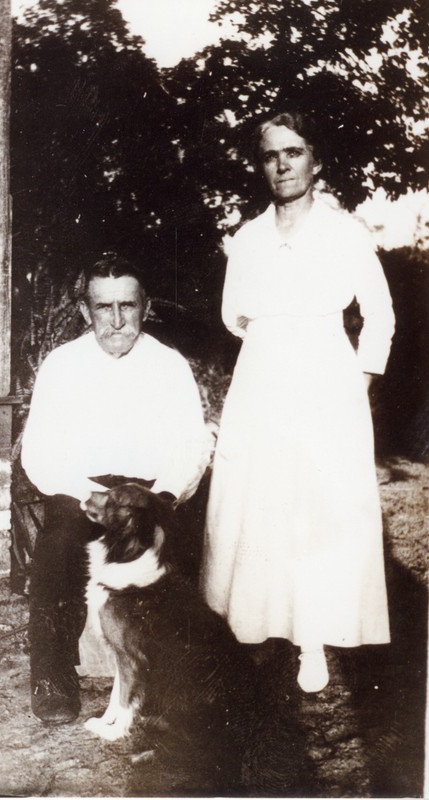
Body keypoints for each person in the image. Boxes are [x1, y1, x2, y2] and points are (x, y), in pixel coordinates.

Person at [200, 112, 395, 693]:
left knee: (317, 505)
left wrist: (354, 385)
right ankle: (255, 625)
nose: (281, 165)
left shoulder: (346, 233)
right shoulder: (249, 237)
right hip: (261, 375)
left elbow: (380, 316)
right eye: (270, 155)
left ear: (316, 160)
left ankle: (313, 641)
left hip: (326, 377)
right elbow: (233, 315)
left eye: (294, 152)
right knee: (257, 499)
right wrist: (269, 339)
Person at [21, 254, 210, 723]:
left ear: (145, 307)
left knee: (176, 554)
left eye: (128, 305)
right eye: (104, 307)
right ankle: (53, 676)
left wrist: (163, 496)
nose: (118, 319)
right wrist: (88, 496)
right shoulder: (61, 365)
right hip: (83, 494)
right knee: (59, 544)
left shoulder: (169, 365)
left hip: (151, 495)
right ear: (86, 311)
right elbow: (39, 453)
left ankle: (168, 677)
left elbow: (193, 444)